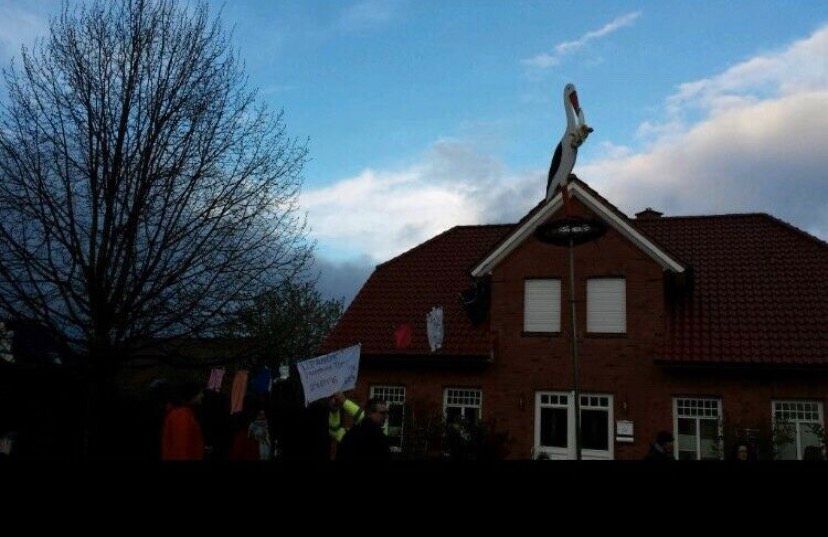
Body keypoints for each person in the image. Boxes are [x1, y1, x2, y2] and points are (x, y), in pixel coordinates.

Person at [161, 382, 205, 461]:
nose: (202, 395)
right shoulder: (182, 415)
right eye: (199, 393)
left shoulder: (181, 413)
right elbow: (182, 445)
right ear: (192, 395)